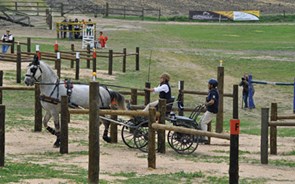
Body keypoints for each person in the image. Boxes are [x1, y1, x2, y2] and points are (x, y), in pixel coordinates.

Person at [199, 78, 219, 144]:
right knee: (201, 121)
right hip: (209, 110)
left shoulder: (213, 92)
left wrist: (206, 104)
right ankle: (201, 136)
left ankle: (205, 138)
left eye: (209, 84)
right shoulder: (212, 91)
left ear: (212, 85)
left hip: (212, 111)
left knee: (203, 122)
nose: (208, 85)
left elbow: (212, 101)